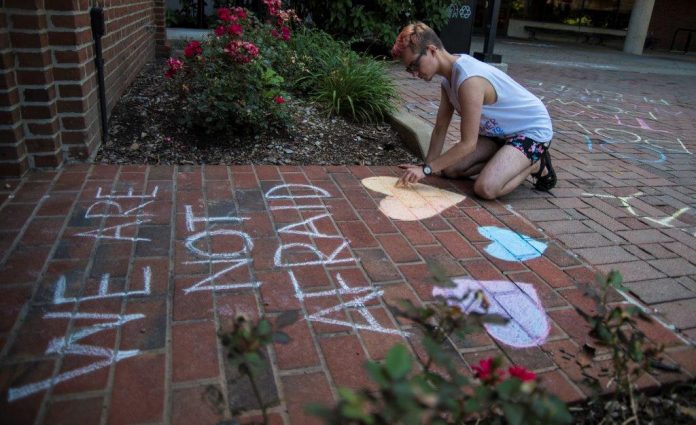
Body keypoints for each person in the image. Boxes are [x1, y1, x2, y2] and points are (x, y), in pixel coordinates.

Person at [392, 22, 556, 199]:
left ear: (432, 50)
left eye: (414, 65)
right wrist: (427, 167)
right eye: (409, 69)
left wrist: (425, 170)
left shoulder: (468, 79)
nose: (414, 73)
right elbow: (440, 129)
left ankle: (535, 163)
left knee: (486, 188)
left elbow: (468, 144)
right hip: (498, 134)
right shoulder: (447, 82)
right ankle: (506, 159)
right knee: (449, 169)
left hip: (531, 130)